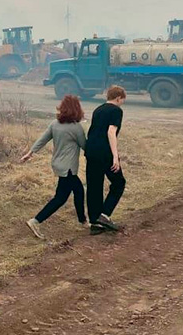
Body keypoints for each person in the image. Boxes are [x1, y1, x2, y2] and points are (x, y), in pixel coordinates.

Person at [20, 95, 88, 239]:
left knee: (79, 190)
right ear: (77, 109)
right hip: (68, 167)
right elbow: (85, 146)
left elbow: (42, 139)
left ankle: (82, 220)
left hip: (57, 164)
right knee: (60, 198)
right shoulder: (76, 128)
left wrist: (30, 153)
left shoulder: (54, 123)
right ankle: (35, 221)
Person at [85, 86, 127, 235]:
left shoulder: (98, 109)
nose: (122, 103)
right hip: (104, 152)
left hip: (90, 151)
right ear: (118, 98)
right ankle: (104, 215)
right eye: (123, 100)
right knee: (119, 183)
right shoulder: (116, 111)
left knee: (94, 186)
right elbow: (111, 131)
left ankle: (95, 224)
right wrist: (115, 156)